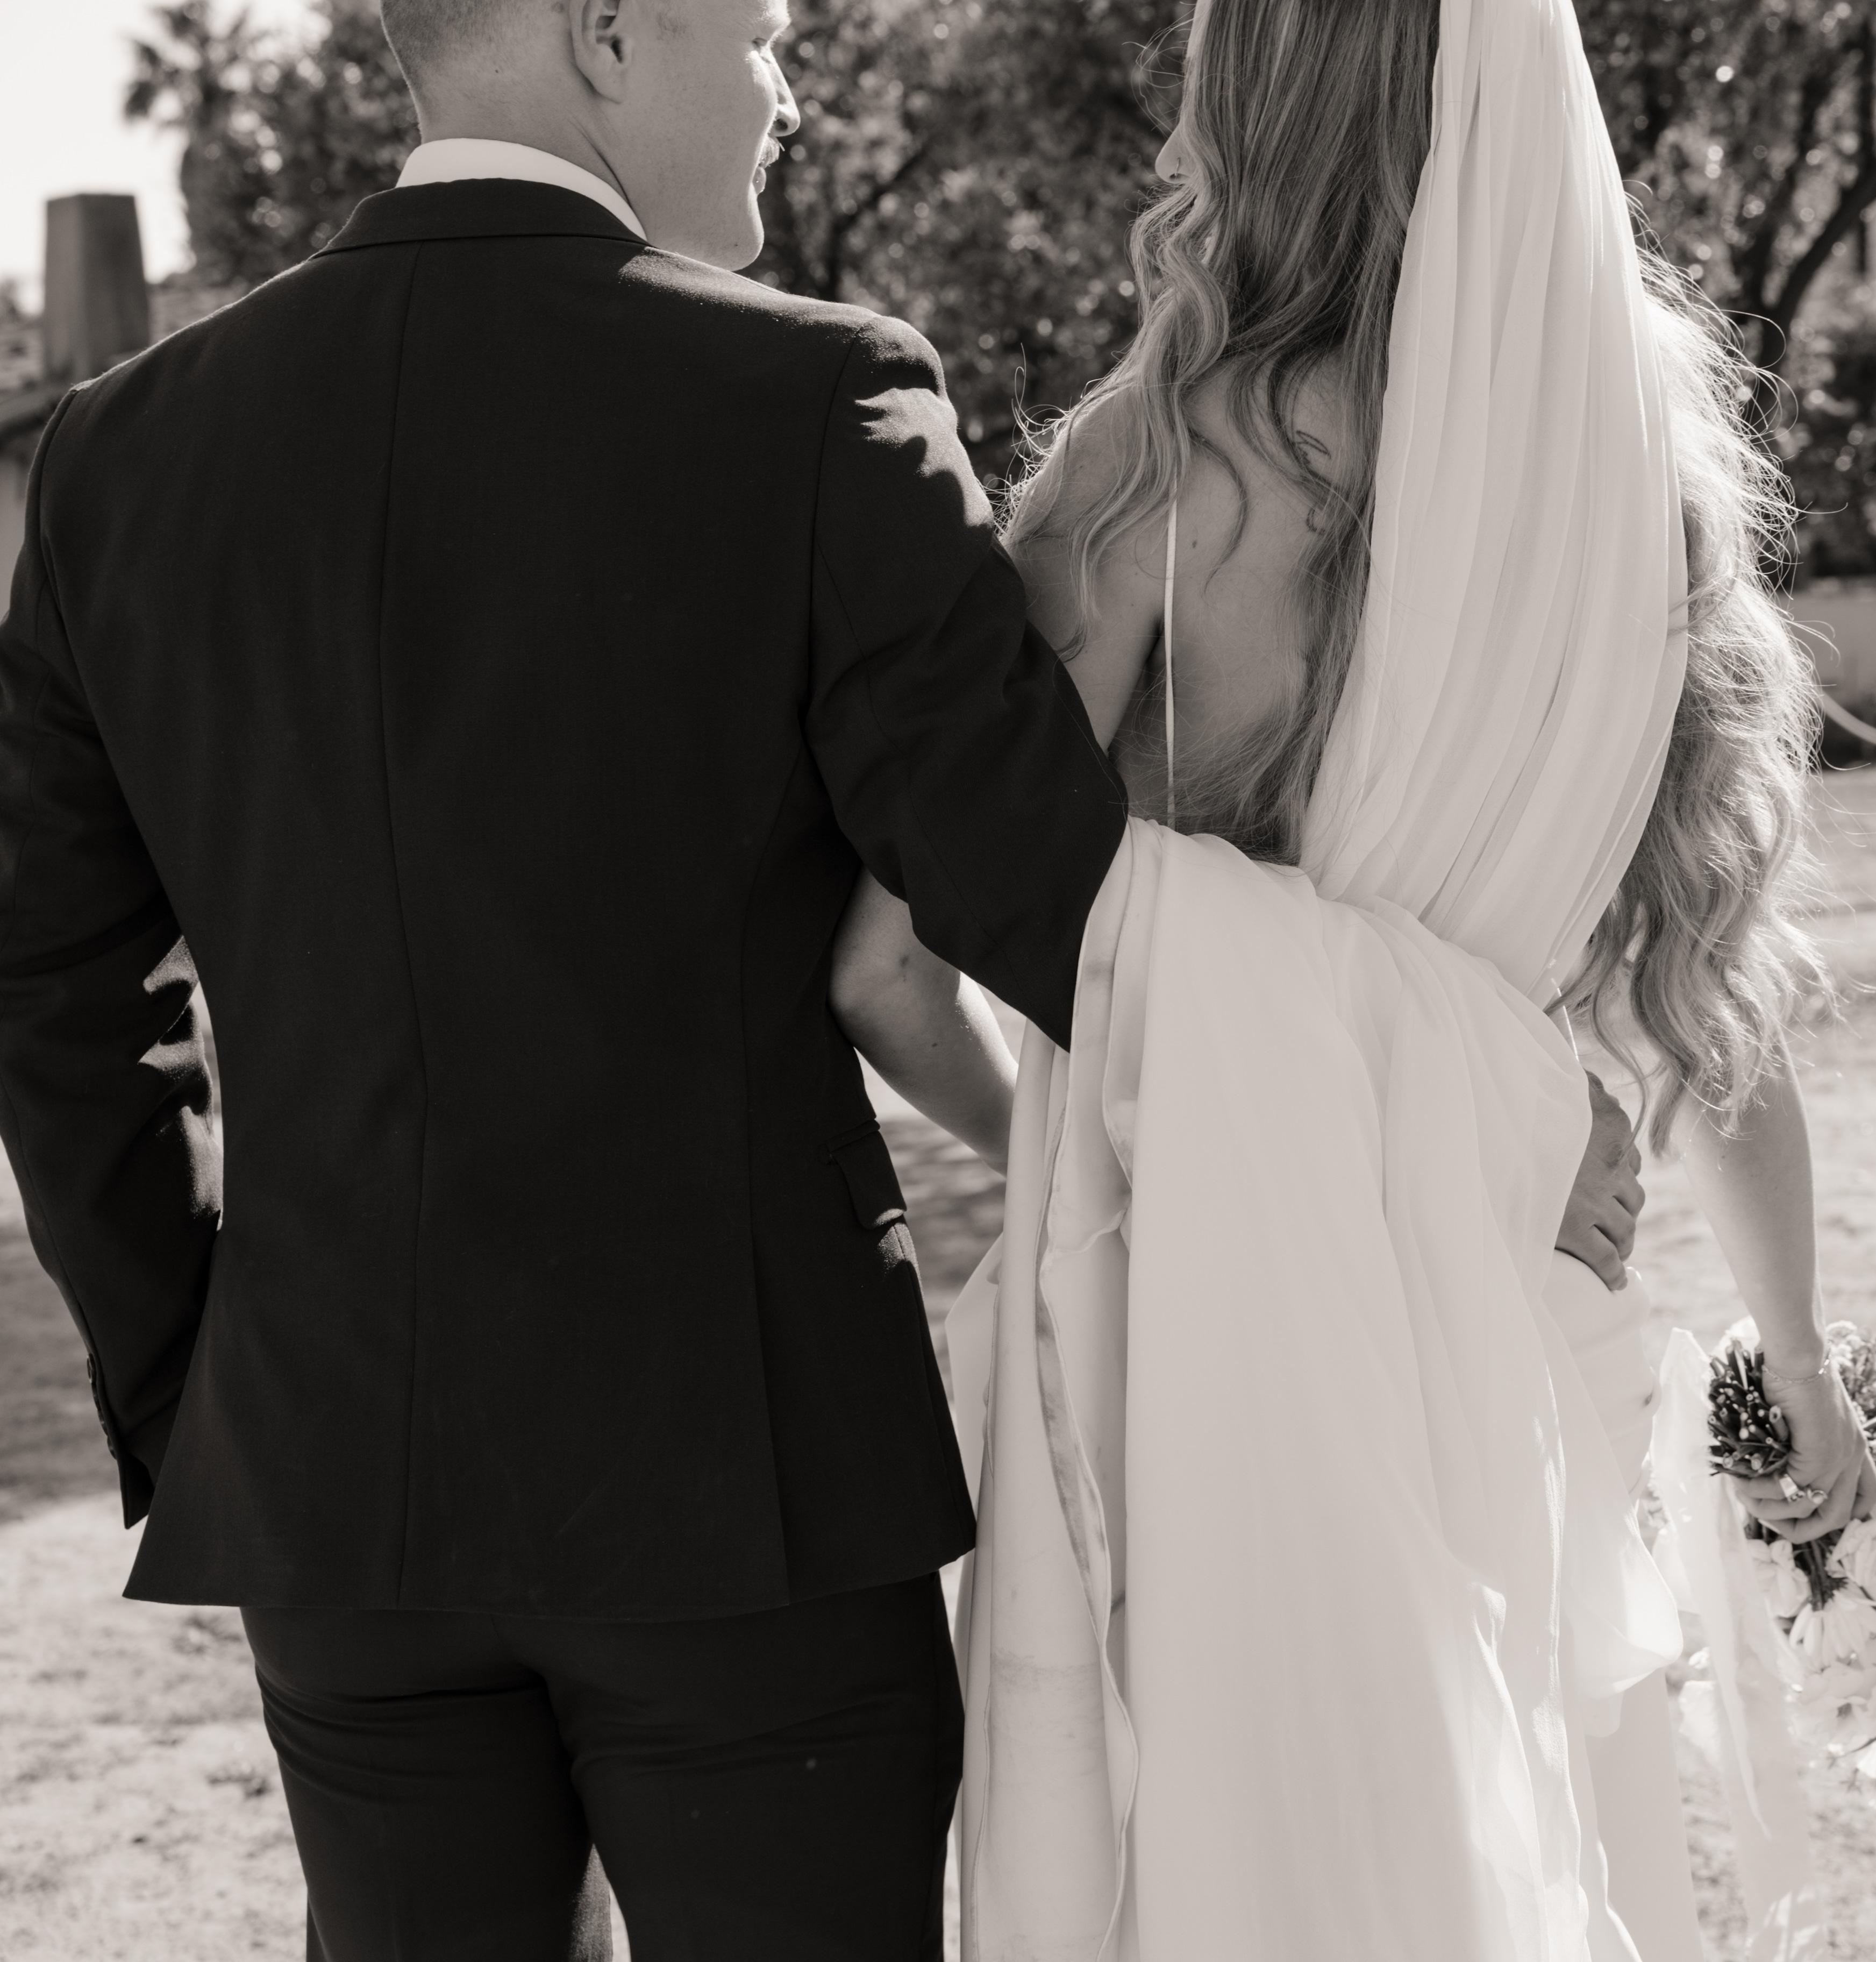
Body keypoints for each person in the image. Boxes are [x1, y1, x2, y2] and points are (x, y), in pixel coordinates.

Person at [0, 0, 1642, 1957]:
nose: (787, 92)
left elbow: (56, 999)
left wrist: (197, 1392)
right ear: (612, 34)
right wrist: (1482, 1099)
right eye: (765, 36)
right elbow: (1062, 904)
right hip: (745, 1498)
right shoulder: (815, 397)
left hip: (326, 1494)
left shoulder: (116, 451)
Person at [829, 0, 1872, 1954]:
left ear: (1248, 99)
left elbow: (890, 965)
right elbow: (1708, 986)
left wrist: (1123, 1136)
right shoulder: (1642, 471)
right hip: (1524, 1302)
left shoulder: (1160, 460)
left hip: (1210, 1319)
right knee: (1507, 1832)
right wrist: (1799, 1356)